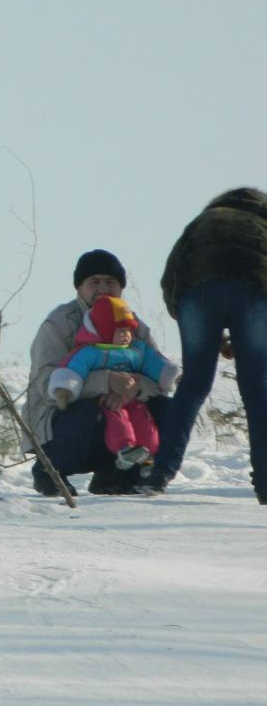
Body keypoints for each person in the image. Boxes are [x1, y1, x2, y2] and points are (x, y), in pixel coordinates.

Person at [140, 187, 267, 503]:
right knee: (257, 388)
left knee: (194, 385)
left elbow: (171, 275)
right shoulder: (261, 224)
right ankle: (265, 483)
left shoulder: (201, 222)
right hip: (253, 293)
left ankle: (159, 475)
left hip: (197, 296)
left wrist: (183, 316)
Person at [21, 249, 170, 496]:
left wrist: (132, 387)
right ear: (80, 287)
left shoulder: (132, 325)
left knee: (166, 408)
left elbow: (158, 372)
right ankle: (49, 471)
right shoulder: (60, 323)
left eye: (110, 282)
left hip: (122, 416)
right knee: (85, 411)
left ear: (121, 288)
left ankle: (118, 475)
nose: (103, 288)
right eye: (94, 282)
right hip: (62, 423)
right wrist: (106, 383)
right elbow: (47, 385)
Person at [48, 294, 180, 471]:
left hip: (134, 401)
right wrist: (65, 389)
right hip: (107, 402)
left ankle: (149, 459)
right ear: (105, 330)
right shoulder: (91, 352)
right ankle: (124, 450)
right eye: (120, 331)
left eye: (128, 331)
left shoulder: (137, 351)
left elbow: (156, 364)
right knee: (118, 423)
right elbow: (74, 370)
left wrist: (173, 376)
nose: (126, 336)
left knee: (145, 425)